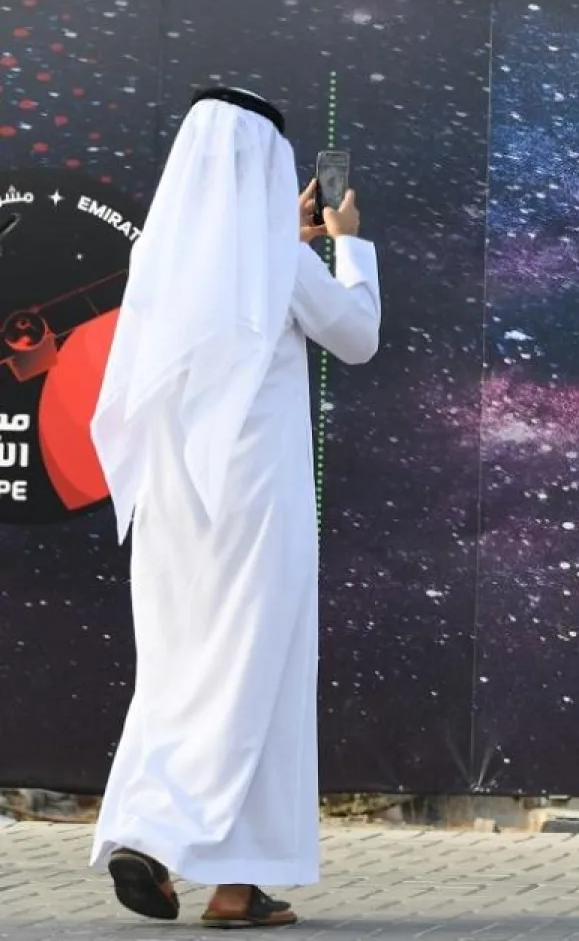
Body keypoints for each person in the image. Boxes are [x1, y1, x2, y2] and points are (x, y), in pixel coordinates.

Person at [86, 85, 382, 927]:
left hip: (173, 505)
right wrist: (348, 246)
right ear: (267, 166)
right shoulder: (277, 263)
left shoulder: (165, 254)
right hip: (257, 504)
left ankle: (237, 884)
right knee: (259, 673)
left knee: (188, 671)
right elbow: (357, 336)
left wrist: (283, 243)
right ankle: (159, 836)